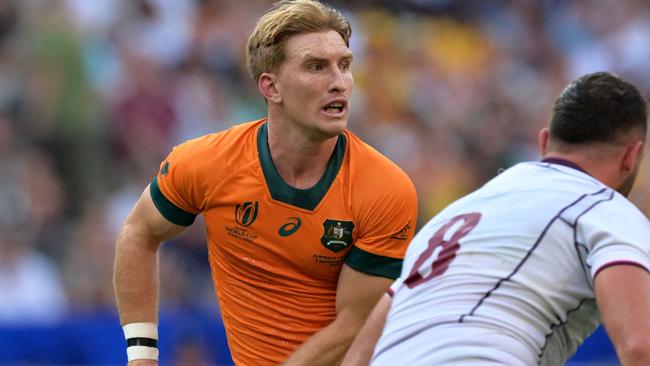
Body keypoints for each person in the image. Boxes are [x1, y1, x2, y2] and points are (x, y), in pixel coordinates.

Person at [113, 1, 418, 365]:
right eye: (316, 67)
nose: (339, 82)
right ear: (271, 87)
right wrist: (142, 357)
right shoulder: (205, 164)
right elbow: (138, 232)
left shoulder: (385, 189)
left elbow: (355, 325)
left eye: (345, 65)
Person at [342, 72, 650, 366]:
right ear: (631, 156)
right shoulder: (607, 210)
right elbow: (639, 348)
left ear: (544, 143)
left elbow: (359, 356)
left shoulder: (450, 218)